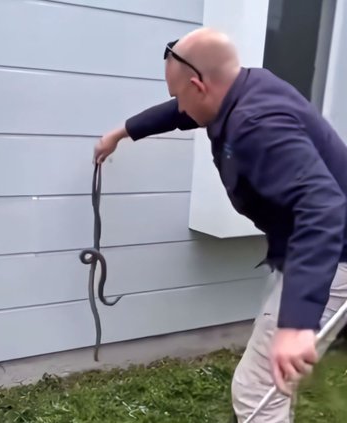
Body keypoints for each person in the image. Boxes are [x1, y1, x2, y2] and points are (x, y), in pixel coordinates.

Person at [94, 28, 347, 422]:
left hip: (332, 255)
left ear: (199, 85)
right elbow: (180, 113)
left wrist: (297, 325)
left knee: (256, 390)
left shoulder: (257, 123)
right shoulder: (244, 87)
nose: (177, 105)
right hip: (307, 250)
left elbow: (324, 208)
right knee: (271, 379)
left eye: (179, 94)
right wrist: (123, 132)